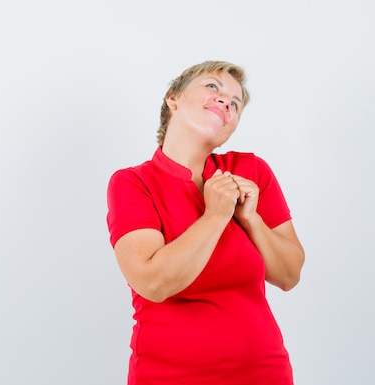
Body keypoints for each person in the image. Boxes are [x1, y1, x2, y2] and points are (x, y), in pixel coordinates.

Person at [106, 60, 305, 384]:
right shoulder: (133, 183)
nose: (226, 101)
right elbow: (153, 283)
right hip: (169, 376)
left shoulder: (251, 171)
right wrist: (215, 216)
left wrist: (251, 219)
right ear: (174, 98)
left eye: (235, 103)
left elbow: (289, 274)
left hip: (264, 373)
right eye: (213, 86)